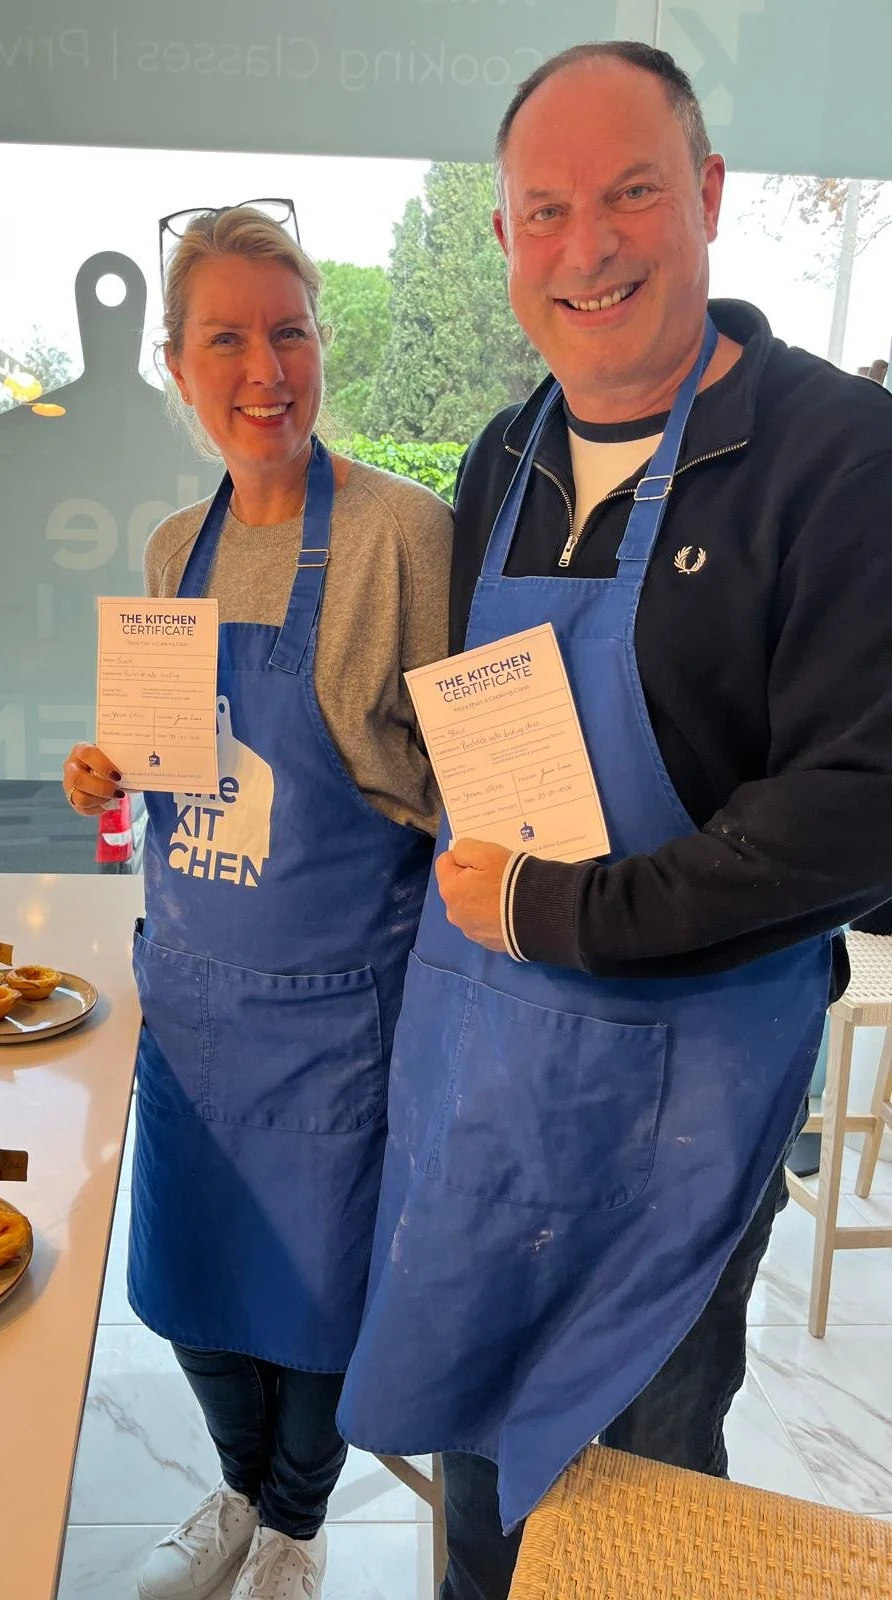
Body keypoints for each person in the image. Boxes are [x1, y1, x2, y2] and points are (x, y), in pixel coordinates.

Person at [335, 41, 892, 1600]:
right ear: (506, 237)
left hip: (687, 1106)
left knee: (625, 1505)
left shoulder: (836, 459)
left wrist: (563, 914)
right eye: (545, 208)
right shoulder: (503, 456)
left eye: (632, 191)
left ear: (707, 197)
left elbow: (858, 812)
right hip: (491, 1077)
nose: (589, 246)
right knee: (475, 1476)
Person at [63, 205, 451, 1600]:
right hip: (195, 1000)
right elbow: (169, 764)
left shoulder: (407, 538)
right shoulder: (178, 547)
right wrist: (107, 765)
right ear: (177, 365)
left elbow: (462, 773)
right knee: (189, 1286)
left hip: (345, 1009)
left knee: (320, 1301)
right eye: (226, 337)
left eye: (289, 331)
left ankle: (294, 1523)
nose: (264, 368)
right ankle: (236, 1487)